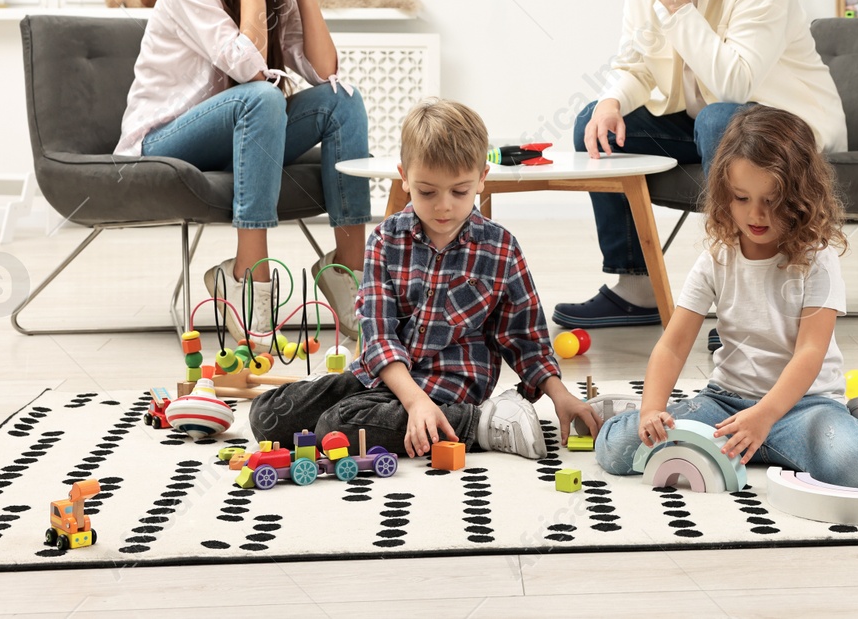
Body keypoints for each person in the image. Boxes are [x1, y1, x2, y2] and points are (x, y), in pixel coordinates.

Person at [555, 0, 848, 329]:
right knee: (593, 121)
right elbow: (637, 65)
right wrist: (613, 100)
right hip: (708, 126)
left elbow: (736, 83)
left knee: (719, 120)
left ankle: (748, 300)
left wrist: (676, 5)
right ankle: (637, 289)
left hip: (787, 132)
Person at [251, 99, 600, 459]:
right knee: (267, 414)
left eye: (460, 191)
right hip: (383, 376)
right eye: (427, 192)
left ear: (482, 178)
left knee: (336, 427)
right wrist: (410, 400)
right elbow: (378, 333)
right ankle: (395, 412)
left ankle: (479, 424)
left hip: (448, 387)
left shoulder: (501, 249)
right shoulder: (386, 240)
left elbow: (524, 339)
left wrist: (561, 395)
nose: (444, 206)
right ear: (404, 177)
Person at [114, 0, 372, 338]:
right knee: (261, 94)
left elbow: (324, 70)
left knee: (342, 101)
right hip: (168, 139)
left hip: (245, 129)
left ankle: (347, 275)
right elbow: (251, 69)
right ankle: (248, 278)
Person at [592, 105, 858, 489]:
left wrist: (765, 416)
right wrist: (652, 409)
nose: (756, 214)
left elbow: (810, 353)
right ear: (723, 193)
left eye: (772, 200)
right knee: (619, 449)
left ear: (801, 197)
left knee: (857, 466)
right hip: (726, 402)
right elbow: (673, 345)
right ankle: (630, 413)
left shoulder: (817, 257)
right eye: (741, 197)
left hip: (805, 406)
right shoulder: (716, 259)